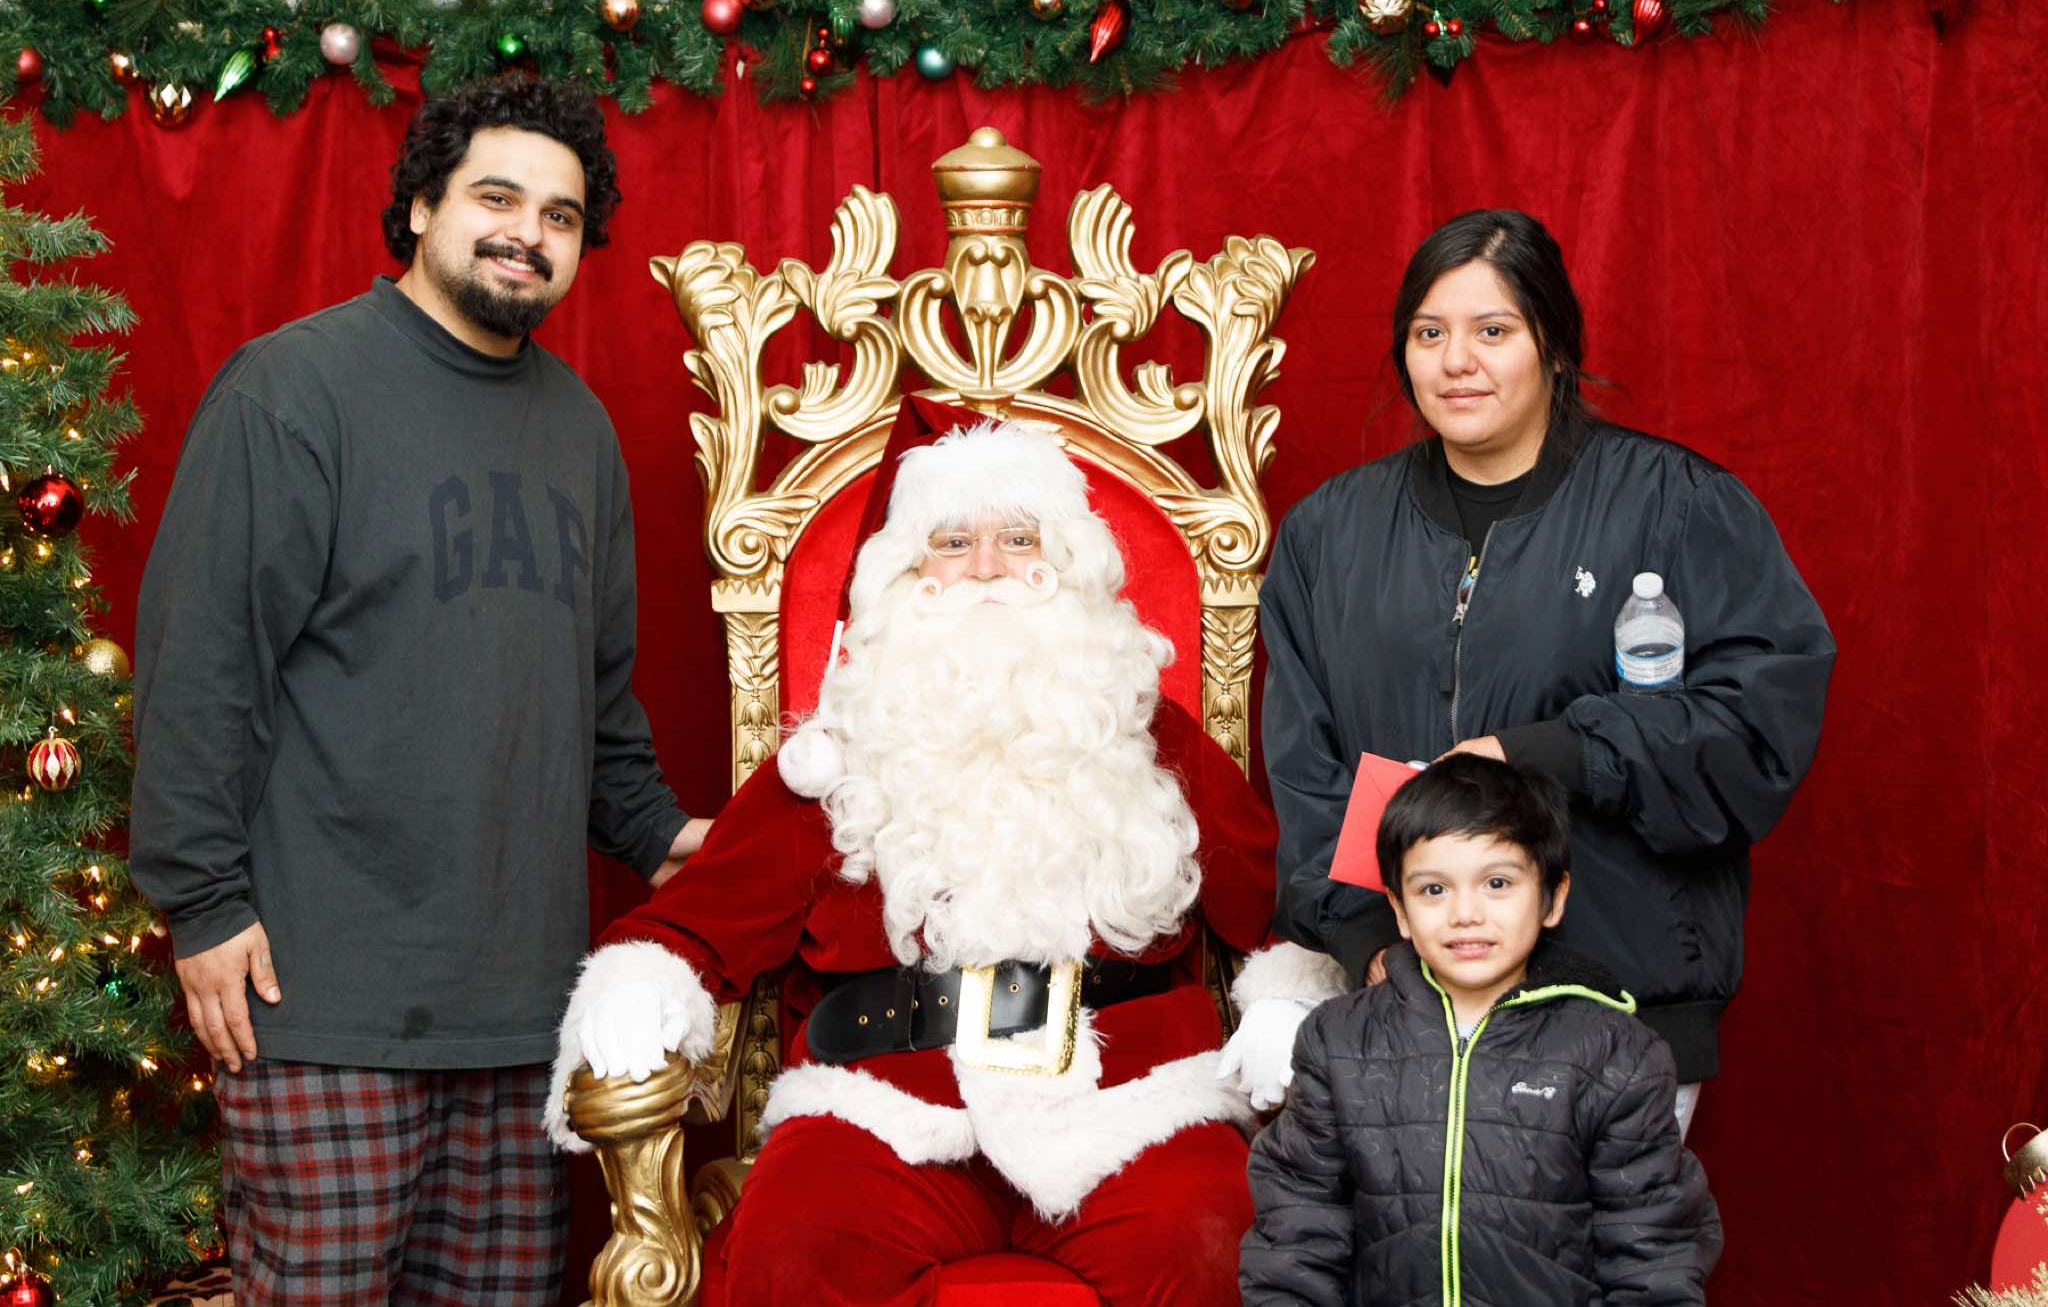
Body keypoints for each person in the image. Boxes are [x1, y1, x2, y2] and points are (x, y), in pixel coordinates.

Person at [129, 75, 708, 1306]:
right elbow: (202, 665)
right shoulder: (293, 390)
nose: (526, 234)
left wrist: (673, 839)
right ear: (418, 208)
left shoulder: (579, 432)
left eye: (559, 217)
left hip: (518, 1015)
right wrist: (202, 903)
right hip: (322, 999)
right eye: (496, 198)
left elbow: (599, 712)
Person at [551, 411, 1308, 1307]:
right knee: (794, 1240)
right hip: (887, 1111)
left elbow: (1281, 900)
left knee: (1211, 1238)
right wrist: (640, 983)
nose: (986, 566)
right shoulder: (837, 755)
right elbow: (694, 918)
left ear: (1068, 562)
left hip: (1129, 1104)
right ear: (905, 574)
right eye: (952, 542)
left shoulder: (1148, 735)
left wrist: (1289, 997)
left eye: (1018, 538)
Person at [1245, 209, 1835, 1134]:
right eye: (1429, 334)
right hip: (1398, 1008)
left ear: (1554, 346)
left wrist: (1547, 753)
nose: (1456, 362)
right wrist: (1365, 941)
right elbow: (1304, 767)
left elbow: (1757, 726)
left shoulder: (1678, 508)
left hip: (1620, 1013)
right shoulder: (1328, 536)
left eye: (1493, 331)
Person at [1240, 754, 1721, 1305]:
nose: (1465, 913)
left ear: (1553, 898)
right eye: (1433, 890)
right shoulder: (1339, 1042)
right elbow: (1297, 1237)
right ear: (1399, 910)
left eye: (1497, 883)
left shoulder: (1616, 1053)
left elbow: (1653, 1256)